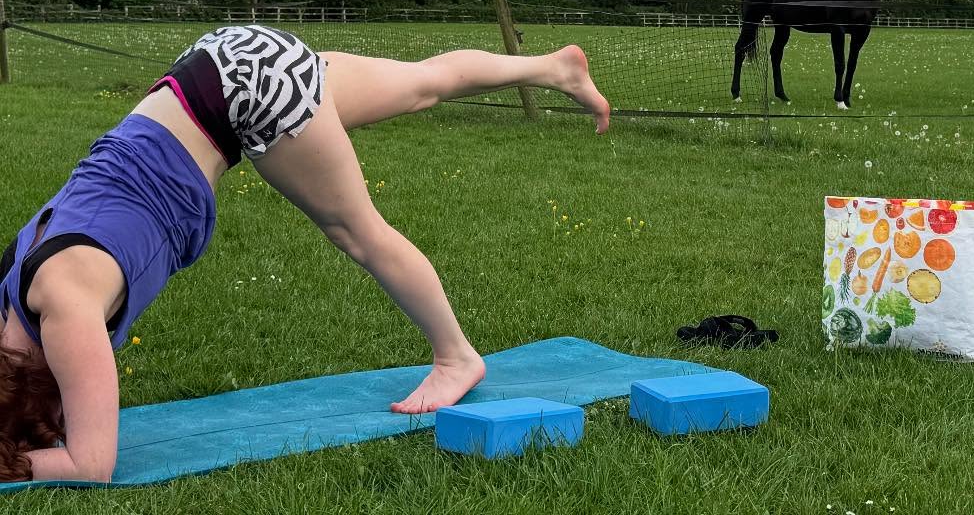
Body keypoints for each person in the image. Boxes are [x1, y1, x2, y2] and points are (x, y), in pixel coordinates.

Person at [0, 25, 610, 483]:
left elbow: (91, 462)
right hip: (225, 64)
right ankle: (554, 68)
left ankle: (457, 358)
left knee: (356, 231)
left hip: (249, 98)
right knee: (425, 83)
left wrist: (17, 463)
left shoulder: (66, 305)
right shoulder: (14, 289)